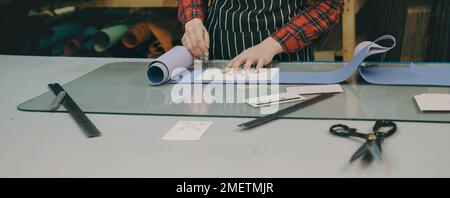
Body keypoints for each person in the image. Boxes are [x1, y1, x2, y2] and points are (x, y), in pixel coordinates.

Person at [178, 0, 344, 71]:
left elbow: (329, 5)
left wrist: (271, 46)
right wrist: (192, 20)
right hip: (223, 42)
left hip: (285, 52)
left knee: (285, 130)